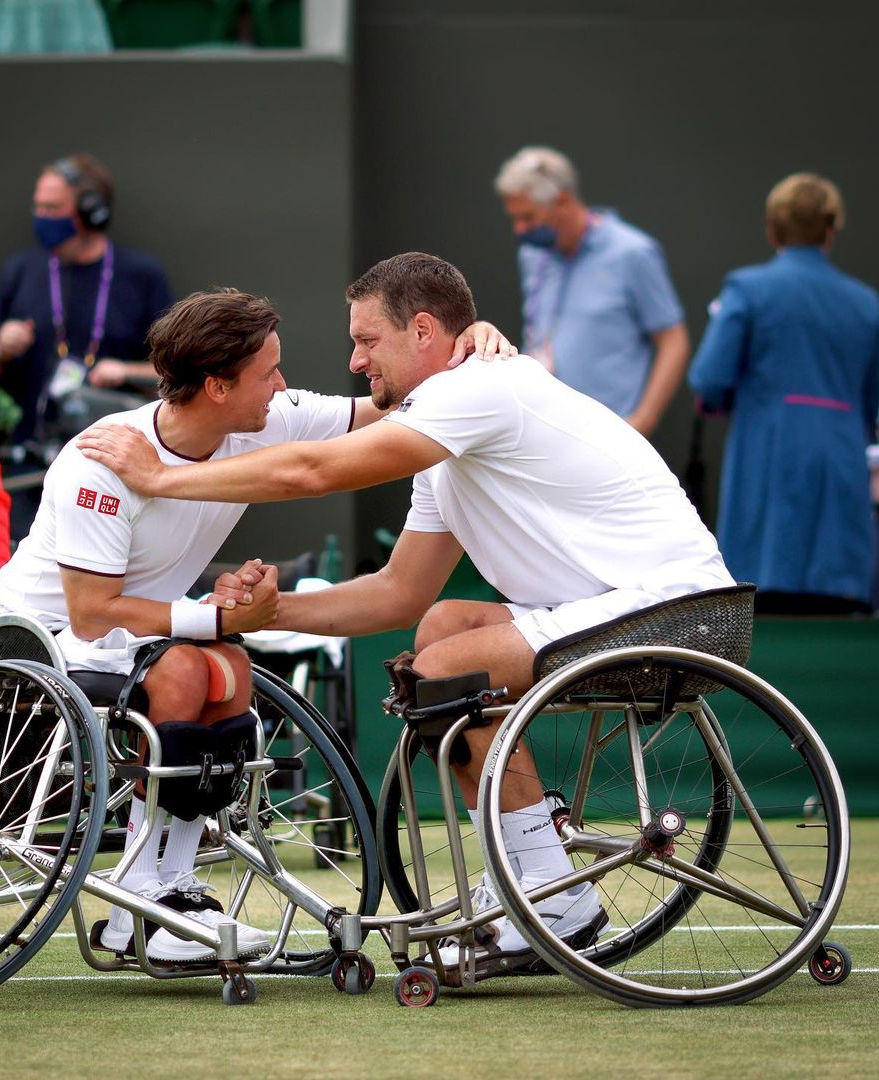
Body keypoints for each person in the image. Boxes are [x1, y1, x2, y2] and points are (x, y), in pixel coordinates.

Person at [78, 251, 736, 981]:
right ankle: (540, 866)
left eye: (367, 341)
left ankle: (553, 896)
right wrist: (258, 615)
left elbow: (313, 469)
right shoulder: (446, 427)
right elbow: (396, 594)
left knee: (447, 668)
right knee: (443, 630)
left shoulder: (479, 390)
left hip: (674, 610)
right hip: (632, 610)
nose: (355, 360)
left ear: (423, 331)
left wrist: (163, 477)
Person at [0, 285, 514, 964]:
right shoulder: (100, 464)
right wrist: (213, 615)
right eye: (268, 373)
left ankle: (167, 888)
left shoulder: (270, 418)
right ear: (216, 386)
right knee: (189, 661)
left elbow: (388, 409)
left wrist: (467, 348)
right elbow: (92, 613)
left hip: (139, 639)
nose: (283, 386)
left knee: (228, 664)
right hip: (36, 642)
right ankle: (140, 899)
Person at [688, 173, 879, 615]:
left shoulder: (748, 289)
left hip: (766, 462)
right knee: (837, 613)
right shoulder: (867, 304)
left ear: (772, 229)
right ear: (831, 229)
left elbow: (709, 380)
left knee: (763, 608)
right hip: (840, 468)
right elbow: (872, 400)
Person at [0, 152, 175, 536]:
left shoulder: (140, 275)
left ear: (91, 212)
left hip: (110, 468)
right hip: (25, 465)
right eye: (38, 206)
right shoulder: (22, 269)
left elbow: (180, 373)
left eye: (52, 207)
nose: (41, 216)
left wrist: (125, 371)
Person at [494, 146, 689, 437]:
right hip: (543, 430)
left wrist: (643, 422)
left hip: (608, 436)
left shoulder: (632, 253)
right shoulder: (534, 255)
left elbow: (673, 341)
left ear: (562, 201)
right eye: (515, 219)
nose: (520, 230)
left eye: (528, 217)